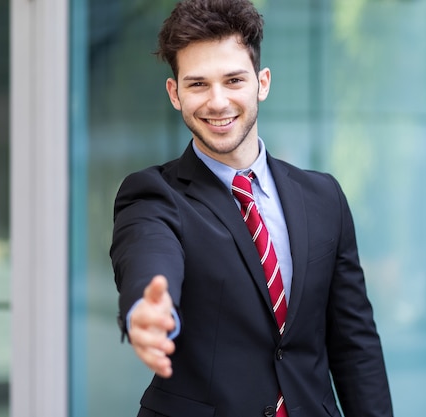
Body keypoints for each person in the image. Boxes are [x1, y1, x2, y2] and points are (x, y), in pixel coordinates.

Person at [110, 0, 393, 416]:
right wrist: (148, 308)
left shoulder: (324, 197)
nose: (217, 102)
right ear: (175, 93)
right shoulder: (153, 194)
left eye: (233, 80)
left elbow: (355, 345)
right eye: (198, 84)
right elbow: (149, 254)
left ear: (262, 83)